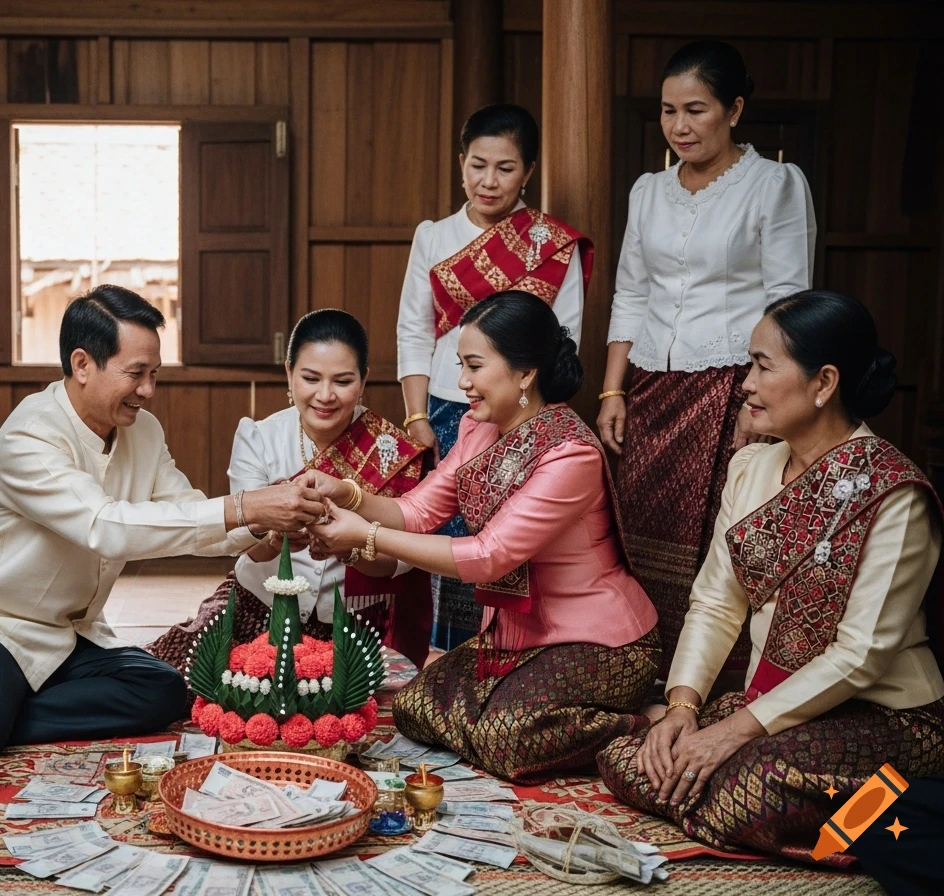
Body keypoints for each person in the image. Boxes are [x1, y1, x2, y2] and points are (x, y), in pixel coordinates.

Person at [597, 290, 944, 865]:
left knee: (743, 791)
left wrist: (733, 733)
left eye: (762, 365)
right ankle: (780, 806)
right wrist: (684, 707)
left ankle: (884, 808)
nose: (744, 384)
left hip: (887, 717)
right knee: (635, 758)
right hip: (769, 702)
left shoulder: (894, 494)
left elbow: (861, 655)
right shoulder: (751, 468)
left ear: (823, 382)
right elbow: (715, 601)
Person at [0, 285, 326, 751]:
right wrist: (245, 506)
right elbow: (106, 528)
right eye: (136, 374)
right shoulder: (29, 435)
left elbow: (187, 512)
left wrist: (260, 529)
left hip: (70, 636)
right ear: (82, 364)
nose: (148, 391)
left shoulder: (143, 431)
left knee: (164, 690)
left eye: (154, 374)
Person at [309, 293, 658, 782]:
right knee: (413, 707)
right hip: (512, 638)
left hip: (598, 641)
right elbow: (418, 510)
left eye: (474, 366)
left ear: (524, 373)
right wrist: (347, 493)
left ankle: (644, 720)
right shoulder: (477, 428)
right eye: (461, 365)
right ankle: (501, 714)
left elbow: (489, 556)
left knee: (505, 739)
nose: (462, 383)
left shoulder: (570, 455)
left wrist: (365, 535)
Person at [599, 40, 817, 677]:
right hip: (650, 388)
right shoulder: (648, 190)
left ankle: (710, 688)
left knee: (720, 540)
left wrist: (763, 399)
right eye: (669, 112)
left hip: (731, 387)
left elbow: (788, 301)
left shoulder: (774, 184)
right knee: (638, 539)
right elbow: (631, 292)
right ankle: (642, 677)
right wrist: (613, 391)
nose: (680, 126)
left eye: (696, 110)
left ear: (735, 109)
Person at [397, 103, 592, 652]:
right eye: (477, 165)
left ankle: (511, 653)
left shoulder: (551, 244)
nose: (488, 181)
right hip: (445, 406)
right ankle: (450, 656)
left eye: (505, 168)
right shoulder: (433, 236)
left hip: (525, 412)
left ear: (529, 171)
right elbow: (413, 331)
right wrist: (417, 417)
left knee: (512, 541)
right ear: (461, 163)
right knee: (449, 535)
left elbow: (564, 335)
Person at [149, 309, 432, 673]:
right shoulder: (259, 438)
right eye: (310, 378)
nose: (325, 396)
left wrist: (351, 550)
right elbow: (244, 541)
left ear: (364, 380)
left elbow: (401, 562)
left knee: (334, 715)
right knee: (186, 680)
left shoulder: (392, 450)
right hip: (258, 609)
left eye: (343, 381)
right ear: (289, 373)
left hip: (354, 625)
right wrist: (275, 537)